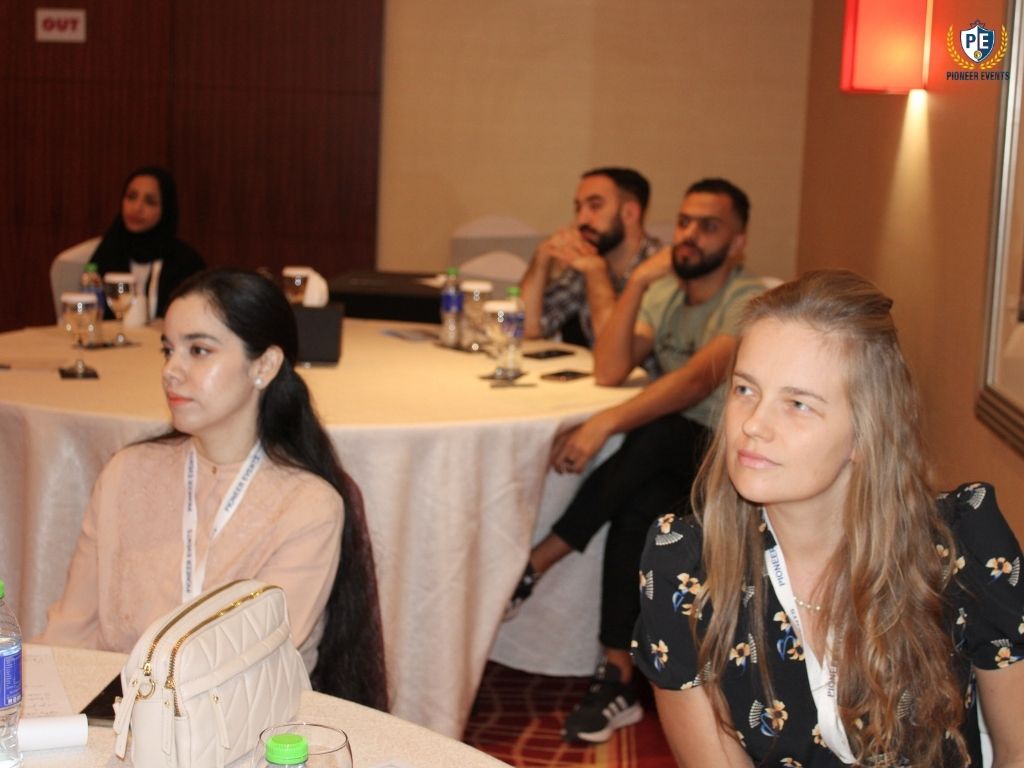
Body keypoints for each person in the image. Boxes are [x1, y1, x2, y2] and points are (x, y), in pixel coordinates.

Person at [632, 270, 1024, 766]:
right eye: (745, 389)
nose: (753, 425)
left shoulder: (963, 542)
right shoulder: (685, 567)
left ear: (865, 432)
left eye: (798, 404)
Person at [38, 269, 387, 709]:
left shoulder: (306, 506)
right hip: (113, 724)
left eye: (199, 350)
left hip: (247, 730)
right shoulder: (127, 475)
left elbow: (249, 671)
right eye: (168, 350)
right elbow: (69, 633)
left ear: (264, 366)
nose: (171, 371)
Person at [507, 178, 767, 743]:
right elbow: (610, 368)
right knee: (640, 510)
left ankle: (539, 559)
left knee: (661, 428)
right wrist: (640, 283)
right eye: (685, 222)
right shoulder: (665, 291)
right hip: (665, 461)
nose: (690, 235)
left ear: (738, 243)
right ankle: (616, 676)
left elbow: (695, 382)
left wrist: (603, 423)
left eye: (709, 226)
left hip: (729, 461)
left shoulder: (747, 300)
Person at [519, 167, 661, 347]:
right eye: (578, 208)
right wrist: (541, 258)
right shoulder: (588, 261)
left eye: (595, 206)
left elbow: (615, 350)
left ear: (629, 214)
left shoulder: (660, 270)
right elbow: (524, 329)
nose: (581, 220)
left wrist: (596, 274)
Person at [91, 165, 205, 320]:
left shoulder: (186, 262)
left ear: (166, 209)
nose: (137, 208)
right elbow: (93, 313)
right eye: (131, 197)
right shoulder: (108, 251)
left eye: (150, 202)